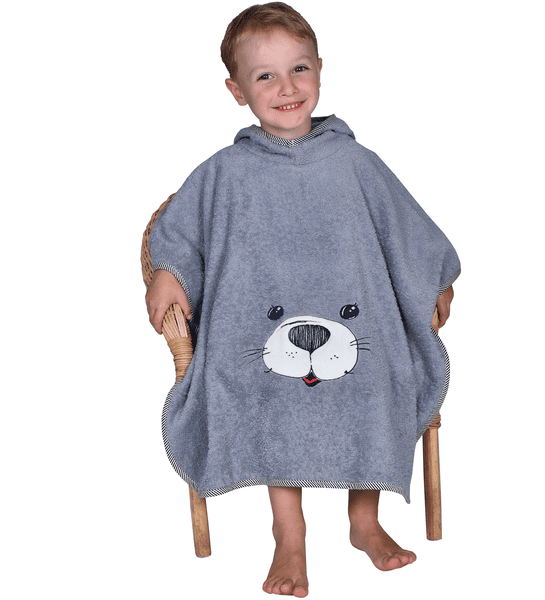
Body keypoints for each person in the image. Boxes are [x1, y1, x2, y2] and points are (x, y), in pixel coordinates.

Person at [145, 3, 460, 597]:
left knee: (378, 378)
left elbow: (409, 229)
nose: (286, 88)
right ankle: (288, 532)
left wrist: (433, 278)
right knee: (269, 389)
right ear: (237, 91)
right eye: (265, 76)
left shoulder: (357, 163)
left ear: (320, 70)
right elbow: (181, 228)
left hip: (357, 323)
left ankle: (365, 520)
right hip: (261, 329)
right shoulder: (224, 172)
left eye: (299, 69)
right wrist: (169, 269)